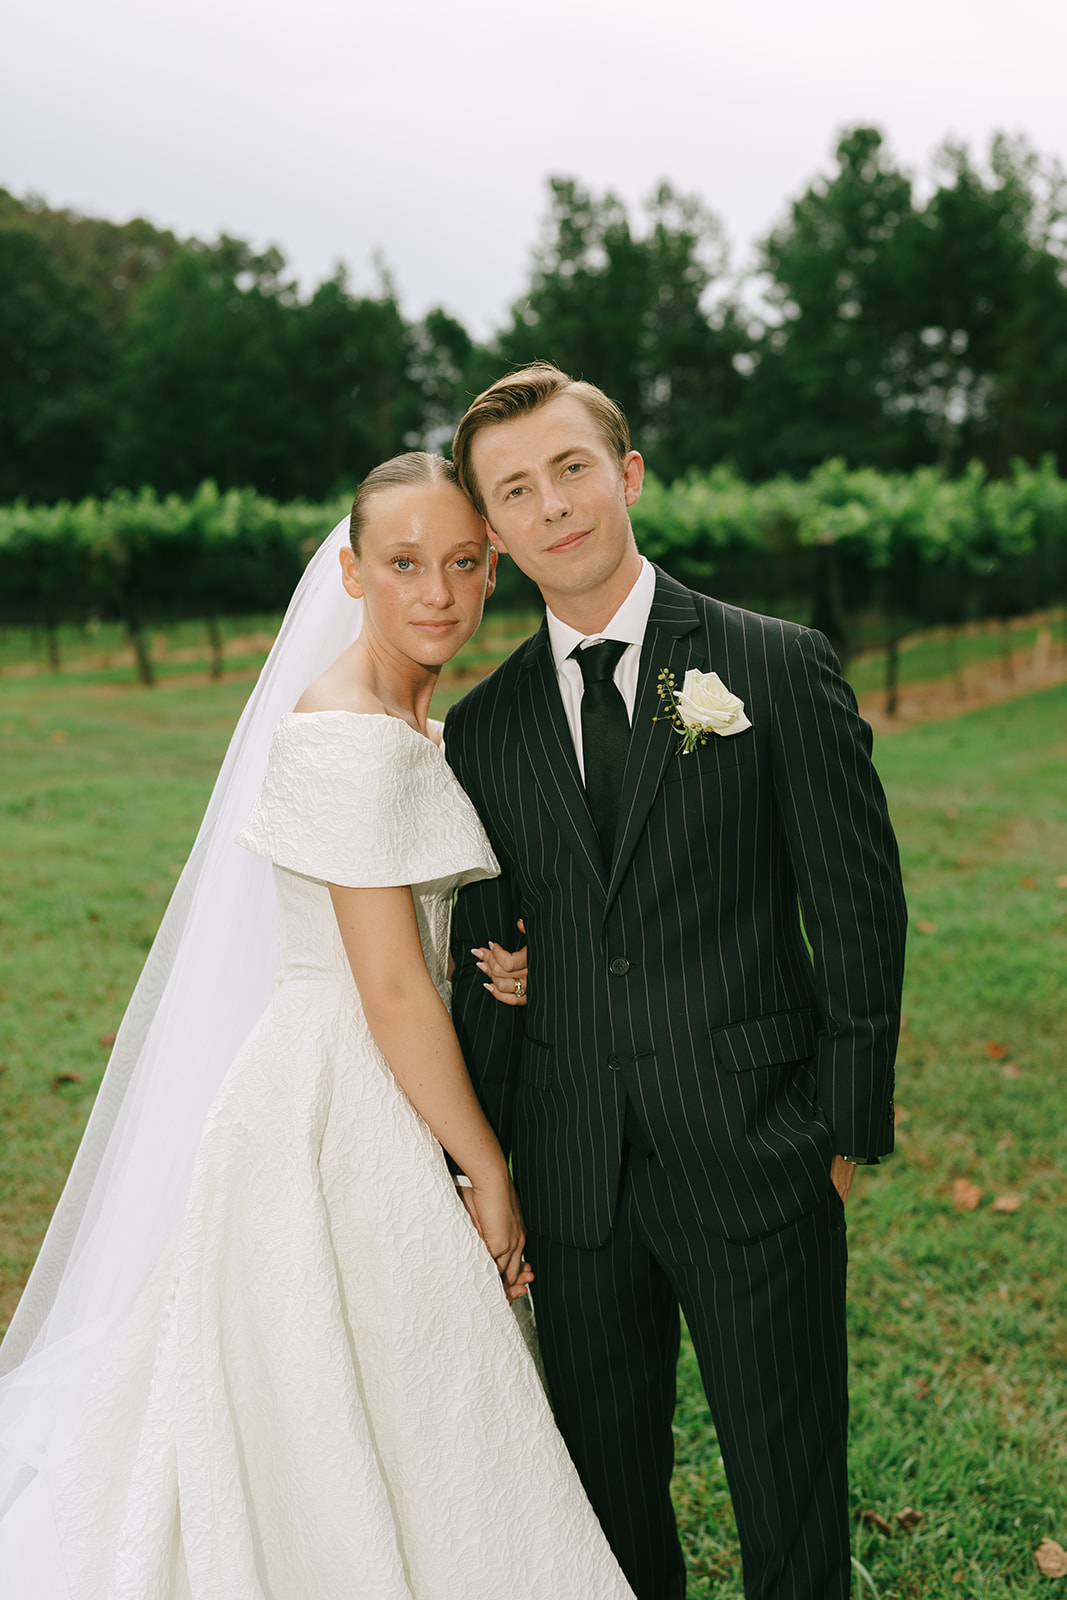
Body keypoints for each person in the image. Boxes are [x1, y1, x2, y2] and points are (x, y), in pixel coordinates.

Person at [0, 453, 636, 1599]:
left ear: (490, 569)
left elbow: (422, 941)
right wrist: (484, 1163)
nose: (434, 591)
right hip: (343, 1093)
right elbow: (387, 989)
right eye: (401, 564)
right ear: (349, 571)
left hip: (387, 1063)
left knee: (398, 1384)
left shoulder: (413, 723)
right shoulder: (346, 731)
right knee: (353, 1372)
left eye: (459, 562)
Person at [444, 366, 909, 1600]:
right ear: (490, 530)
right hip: (572, 1172)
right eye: (516, 490)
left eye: (572, 469)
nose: (553, 506)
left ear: (627, 473)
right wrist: (488, 1164)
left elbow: (857, 910)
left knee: (786, 1488)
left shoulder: (772, 664)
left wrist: (843, 1126)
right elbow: (488, 964)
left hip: (757, 1147)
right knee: (602, 1499)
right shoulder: (482, 732)